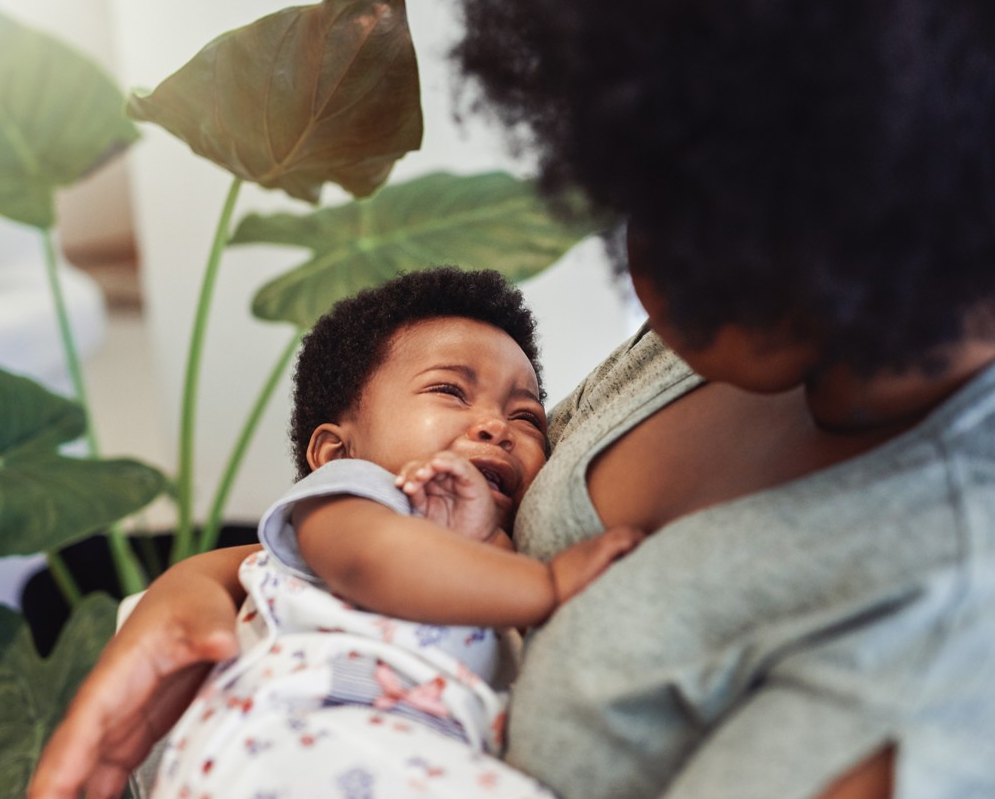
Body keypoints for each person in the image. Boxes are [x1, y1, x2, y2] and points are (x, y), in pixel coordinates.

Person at [30, 0, 995, 797]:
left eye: (705, 216)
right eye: (640, 186)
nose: (643, 257)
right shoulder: (778, 324)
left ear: (887, 201)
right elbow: (454, 528)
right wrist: (209, 587)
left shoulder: (985, 654)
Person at [147, 268, 641, 798]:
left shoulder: (507, 557)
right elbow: (373, 560)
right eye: (450, 390)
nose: (496, 426)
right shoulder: (352, 494)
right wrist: (548, 587)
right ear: (336, 451)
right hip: (302, 739)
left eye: (526, 418)